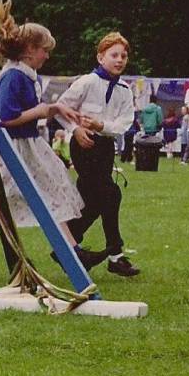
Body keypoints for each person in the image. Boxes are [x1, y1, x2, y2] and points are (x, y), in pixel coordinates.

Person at [0, 0, 103, 270]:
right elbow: (7, 118)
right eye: (43, 51)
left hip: (28, 146)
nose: (47, 56)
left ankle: (71, 251)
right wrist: (44, 110)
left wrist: (54, 108)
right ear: (29, 50)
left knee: (52, 193)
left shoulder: (28, 74)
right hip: (11, 148)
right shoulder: (13, 76)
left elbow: (38, 110)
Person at [56, 32, 139, 277]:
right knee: (111, 193)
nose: (120, 60)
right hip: (83, 145)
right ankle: (116, 254)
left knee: (93, 202)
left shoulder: (125, 90)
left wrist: (103, 126)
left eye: (123, 56)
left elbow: (125, 122)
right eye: (114, 55)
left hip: (104, 147)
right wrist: (76, 128)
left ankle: (66, 248)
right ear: (100, 57)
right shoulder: (86, 82)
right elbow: (61, 108)